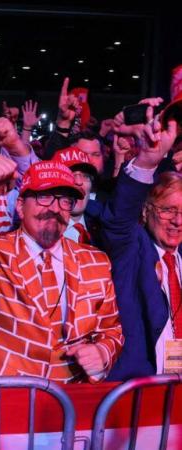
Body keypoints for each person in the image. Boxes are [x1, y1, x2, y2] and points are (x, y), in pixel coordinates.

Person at [0, 156, 124, 382]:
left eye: (65, 200)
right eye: (44, 197)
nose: (55, 208)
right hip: (7, 400)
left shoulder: (95, 262)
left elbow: (112, 331)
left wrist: (102, 352)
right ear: (21, 207)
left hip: (71, 404)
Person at [101, 101, 179, 380]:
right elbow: (119, 218)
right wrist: (147, 161)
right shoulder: (130, 247)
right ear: (146, 212)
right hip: (138, 391)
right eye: (168, 210)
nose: (178, 221)